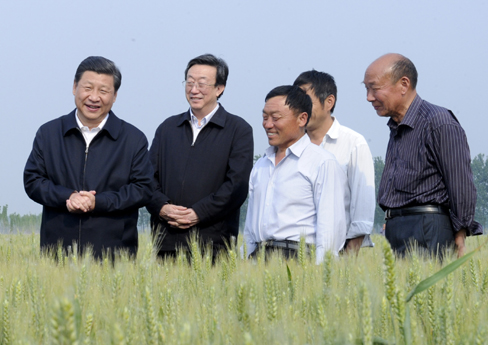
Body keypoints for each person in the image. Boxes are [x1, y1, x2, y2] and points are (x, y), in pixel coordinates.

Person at [23, 56, 154, 259]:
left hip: (115, 257)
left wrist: (98, 202)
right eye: (88, 88)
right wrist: (68, 196)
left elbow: (143, 188)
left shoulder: (133, 139)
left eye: (103, 91)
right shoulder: (48, 133)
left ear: (114, 96)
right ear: (74, 87)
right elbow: (33, 181)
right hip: (57, 254)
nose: (94, 97)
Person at [364, 53, 482, 257]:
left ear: (404, 84)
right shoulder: (396, 126)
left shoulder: (438, 122)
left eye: (374, 88)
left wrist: (460, 237)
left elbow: (460, 184)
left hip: (427, 228)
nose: (369, 97)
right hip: (395, 228)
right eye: (366, 89)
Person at [146, 54, 253, 259]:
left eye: (202, 84)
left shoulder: (238, 130)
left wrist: (198, 213)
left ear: (219, 88)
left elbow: (236, 186)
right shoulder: (168, 128)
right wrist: (162, 207)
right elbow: (148, 178)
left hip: (213, 244)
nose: (194, 90)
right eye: (189, 82)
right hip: (167, 242)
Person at [243, 85, 346, 263]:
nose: (268, 125)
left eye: (276, 118)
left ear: (302, 119)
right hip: (259, 260)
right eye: (265, 117)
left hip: (299, 260)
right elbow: (249, 229)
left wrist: (320, 272)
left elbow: (330, 231)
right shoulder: (260, 165)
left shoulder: (321, 163)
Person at [294, 70, 375, 255]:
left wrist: (345, 263)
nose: (299, 107)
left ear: (329, 101)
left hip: (336, 254)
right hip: (293, 255)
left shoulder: (353, 144)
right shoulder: (291, 146)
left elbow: (362, 213)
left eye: (305, 99)